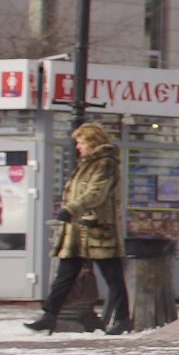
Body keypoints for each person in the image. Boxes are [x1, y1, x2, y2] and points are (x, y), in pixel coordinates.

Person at [26, 122, 130, 335]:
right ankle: (49, 315)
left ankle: (122, 319)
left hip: (98, 230)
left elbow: (96, 193)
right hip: (78, 232)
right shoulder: (86, 164)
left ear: (92, 142)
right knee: (65, 275)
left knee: (113, 278)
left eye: (81, 142)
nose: (78, 147)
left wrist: (71, 209)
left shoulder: (105, 164)